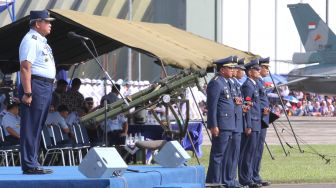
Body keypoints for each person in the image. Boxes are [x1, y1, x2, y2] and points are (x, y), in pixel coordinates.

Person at [19, 10, 55, 174]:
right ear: (37, 23)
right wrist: (28, 93)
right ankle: (29, 164)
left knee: (37, 125)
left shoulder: (41, 41)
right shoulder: (31, 40)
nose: (50, 24)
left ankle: (33, 161)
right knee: (31, 125)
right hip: (36, 85)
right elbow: (26, 67)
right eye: (47, 21)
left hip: (45, 86)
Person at [206, 56, 236, 184]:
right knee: (218, 156)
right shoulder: (216, 82)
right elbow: (212, 106)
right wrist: (213, 125)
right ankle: (214, 182)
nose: (232, 70)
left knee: (225, 155)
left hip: (228, 124)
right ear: (222, 69)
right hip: (221, 125)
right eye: (230, 68)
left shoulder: (226, 82)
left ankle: (221, 181)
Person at [225, 57, 249, 188]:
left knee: (235, 154)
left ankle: (232, 179)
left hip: (237, 122)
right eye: (240, 70)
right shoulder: (228, 83)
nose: (242, 73)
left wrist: (242, 107)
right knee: (230, 154)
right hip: (232, 123)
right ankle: (228, 179)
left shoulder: (235, 83)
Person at [239, 59, 262, 188]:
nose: (259, 71)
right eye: (256, 69)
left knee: (253, 151)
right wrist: (248, 124)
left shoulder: (254, 84)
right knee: (247, 152)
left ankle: (250, 177)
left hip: (256, 121)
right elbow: (247, 106)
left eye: (259, 69)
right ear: (250, 72)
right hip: (252, 122)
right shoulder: (248, 85)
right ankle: (245, 179)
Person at [253, 57, 271, 186]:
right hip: (257, 119)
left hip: (262, 119)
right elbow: (255, 102)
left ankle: (255, 175)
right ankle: (252, 176)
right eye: (266, 68)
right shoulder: (256, 83)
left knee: (258, 149)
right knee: (254, 150)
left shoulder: (260, 82)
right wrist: (262, 110)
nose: (268, 70)